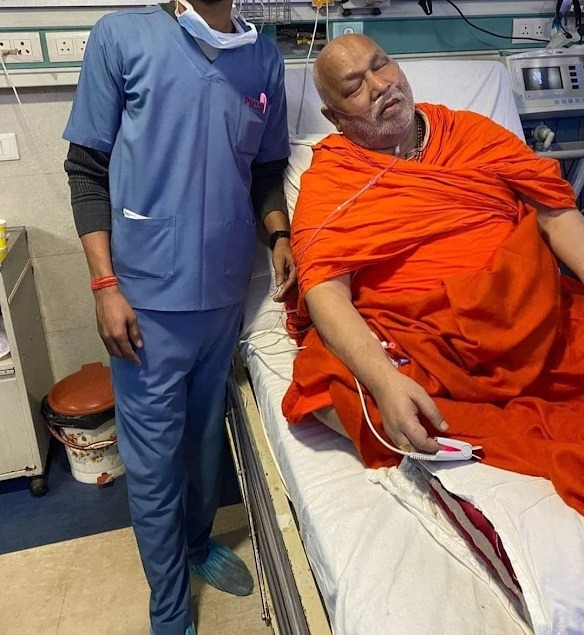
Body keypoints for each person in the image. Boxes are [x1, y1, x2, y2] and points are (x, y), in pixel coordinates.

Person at [63, 1, 295, 633]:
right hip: (144, 302)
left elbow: (265, 170)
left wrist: (279, 234)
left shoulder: (262, 58)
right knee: (153, 464)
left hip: (221, 293)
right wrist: (104, 285)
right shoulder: (122, 37)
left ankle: (196, 544)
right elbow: (86, 172)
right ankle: (168, 612)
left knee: (202, 440)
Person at [282, 34, 584, 516]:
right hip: (427, 339)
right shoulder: (332, 180)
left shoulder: (470, 133)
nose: (380, 86)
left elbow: (555, 212)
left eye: (382, 65)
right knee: (328, 381)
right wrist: (384, 381)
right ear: (334, 118)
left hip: (527, 315)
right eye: (355, 87)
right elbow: (324, 289)